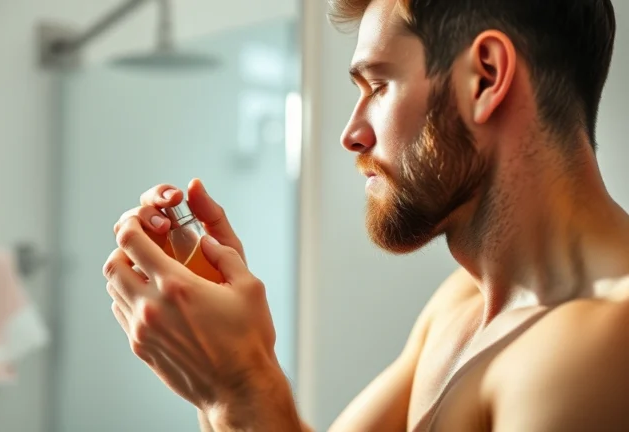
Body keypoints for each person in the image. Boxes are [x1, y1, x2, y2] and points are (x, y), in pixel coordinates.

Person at [103, 0, 629, 430]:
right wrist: (219, 364)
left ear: (485, 78)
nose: (351, 133)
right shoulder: (464, 303)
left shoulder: (599, 349)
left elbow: (255, 412)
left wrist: (239, 385)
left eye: (378, 85)